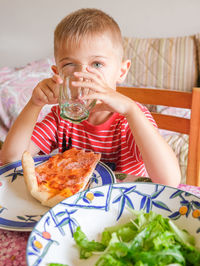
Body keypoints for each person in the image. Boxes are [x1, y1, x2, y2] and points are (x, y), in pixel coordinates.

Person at [0, 8, 181, 187]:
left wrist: (131, 110)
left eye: (97, 64)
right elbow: (10, 160)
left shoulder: (132, 118)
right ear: (57, 73)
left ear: (122, 71)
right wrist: (34, 104)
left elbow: (169, 181)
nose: (82, 74)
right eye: (70, 64)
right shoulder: (61, 118)